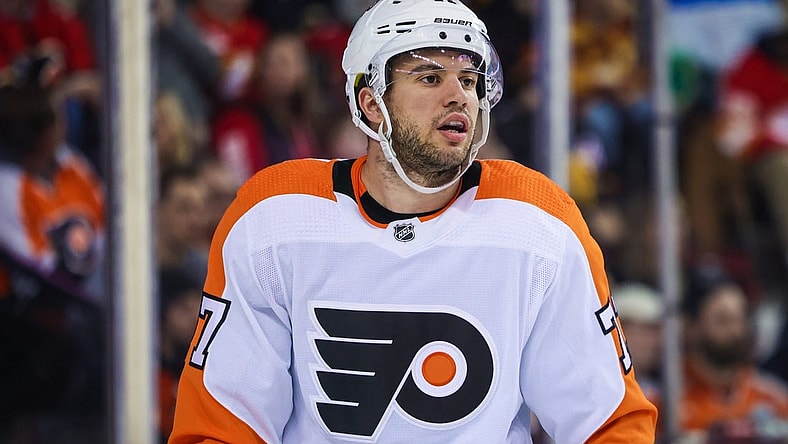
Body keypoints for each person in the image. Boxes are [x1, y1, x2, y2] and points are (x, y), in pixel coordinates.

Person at [169, 1, 657, 442]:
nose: (459, 96)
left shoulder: (537, 223)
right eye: (429, 77)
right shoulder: (273, 218)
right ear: (371, 104)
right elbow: (222, 426)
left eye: (469, 80)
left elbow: (609, 423)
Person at [680, 264, 788, 441]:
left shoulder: (774, 398)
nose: (736, 331)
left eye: (741, 319)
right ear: (693, 326)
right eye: (723, 320)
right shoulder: (665, 399)